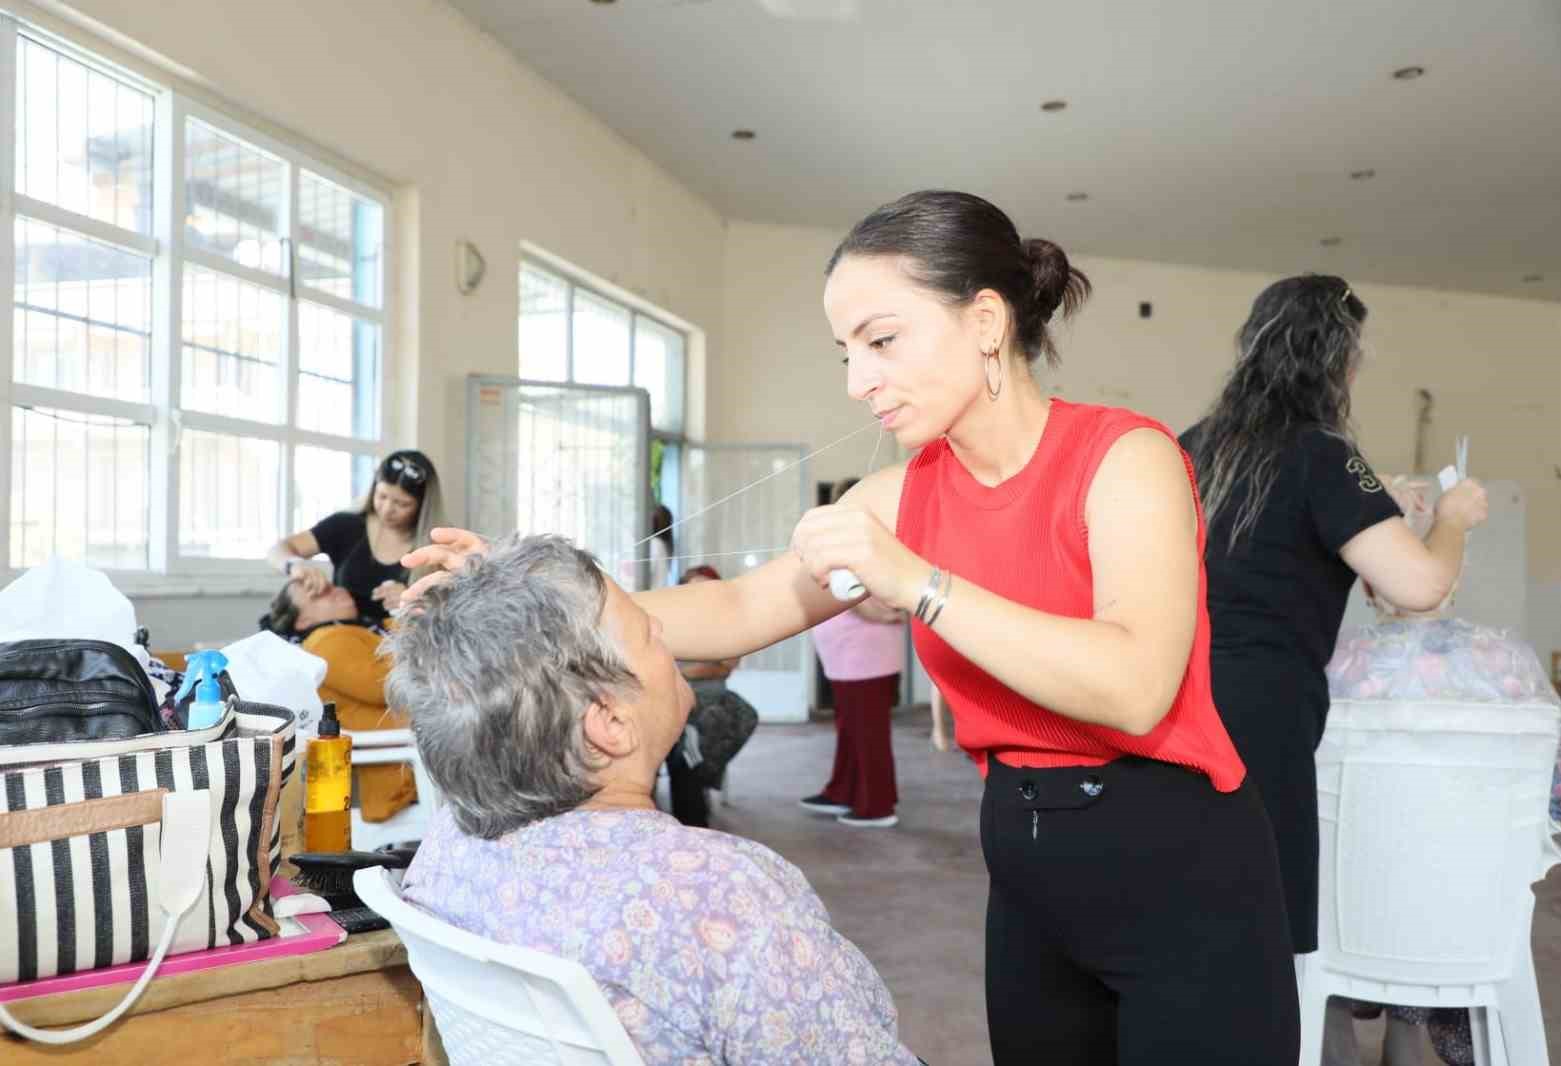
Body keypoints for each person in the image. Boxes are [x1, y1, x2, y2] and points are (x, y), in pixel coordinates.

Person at [407, 191, 1298, 1065]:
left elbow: (1137, 688)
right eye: (845, 350)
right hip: (1028, 857)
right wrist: (530, 595)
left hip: (1179, 857)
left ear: (986, 320)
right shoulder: (904, 493)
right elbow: (739, 610)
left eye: (882, 340)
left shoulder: (1125, 456)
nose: (856, 380)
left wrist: (920, 583)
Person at [387, 535, 923, 1066]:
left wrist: (505, 605)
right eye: (646, 632)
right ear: (611, 722)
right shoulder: (723, 898)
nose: (664, 630)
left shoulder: (448, 844)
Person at [1178, 274, 1490, 973]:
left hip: (1169, 690)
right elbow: (1420, 587)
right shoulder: (1322, 453)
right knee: (1255, 917)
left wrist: (1376, 499)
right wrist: (1452, 518)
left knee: (1182, 897)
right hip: (1261, 705)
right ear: (1341, 364)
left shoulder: (1194, 445)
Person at [1319, 477, 1561, 1066]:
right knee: (1444, 860)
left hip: (1350, 918)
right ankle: (1410, 1032)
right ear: (1451, 573)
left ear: (1368, 583)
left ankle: (1328, 1035)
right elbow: (1551, 801)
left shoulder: (1333, 669)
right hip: (1466, 918)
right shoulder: (1506, 666)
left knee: (1328, 873)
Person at [800, 478, 908, 828]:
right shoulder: (844, 545)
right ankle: (842, 791)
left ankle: (877, 805)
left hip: (866, 657)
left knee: (868, 732)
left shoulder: (872, 545)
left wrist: (891, 613)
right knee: (849, 728)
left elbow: (865, 602)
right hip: (846, 656)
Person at [260, 579, 415, 821]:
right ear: (302, 621)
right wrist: (412, 612)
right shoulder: (327, 640)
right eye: (316, 593)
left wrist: (407, 608)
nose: (332, 590)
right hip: (404, 752)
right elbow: (391, 687)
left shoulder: (362, 629)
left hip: (411, 744)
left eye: (329, 585)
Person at [267, 450, 445, 624]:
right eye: (382, 496)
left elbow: (454, 614)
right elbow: (277, 550)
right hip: (341, 640)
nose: (387, 509)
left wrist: (417, 603)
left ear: (423, 506)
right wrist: (294, 564)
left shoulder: (439, 543)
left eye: (402, 504)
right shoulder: (345, 526)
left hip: (400, 647)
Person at [663, 564, 753, 827]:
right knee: (679, 740)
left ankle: (693, 807)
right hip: (673, 698)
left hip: (709, 698)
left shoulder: (730, 624)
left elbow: (726, 666)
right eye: (693, 589)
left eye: (706, 588)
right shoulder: (669, 623)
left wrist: (684, 672)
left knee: (694, 740)